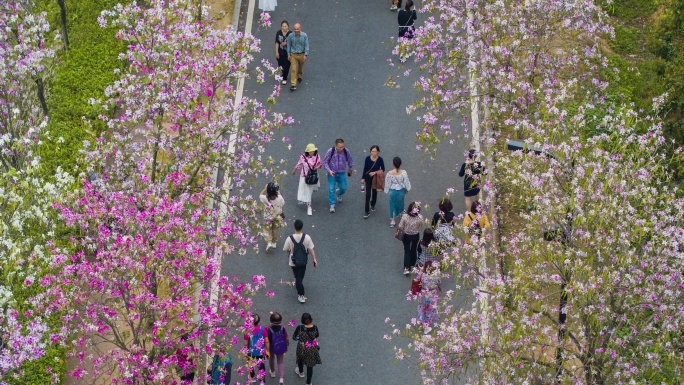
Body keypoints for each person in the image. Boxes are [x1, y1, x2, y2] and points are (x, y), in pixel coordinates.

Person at [283, 219, 318, 303]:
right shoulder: (307, 237)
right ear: (302, 227)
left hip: (294, 262)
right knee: (301, 275)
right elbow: (311, 249)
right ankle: (300, 289)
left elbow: (285, 249)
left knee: (297, 276)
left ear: (294, 227)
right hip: (303, 261)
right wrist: (314, 259)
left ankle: (300, 293)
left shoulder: (289, 238)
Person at [322, 139, 355, 213]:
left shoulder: (346, 151)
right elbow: (325, 162)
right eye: (339, 147)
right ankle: (332, 205)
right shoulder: (331, 151)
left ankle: (339, 193)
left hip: (341, 173)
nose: (341, 149)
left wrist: (350, 168)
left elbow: (350, 160)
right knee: (331, 189)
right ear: (336, 146)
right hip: (332, 173)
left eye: (342, 146)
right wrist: (329, 170)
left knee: (343, 188)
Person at [292, 143, 322, 216]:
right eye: (311, 151)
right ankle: (309, 206)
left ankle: (308, 202)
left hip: (314, 176)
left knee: (309, 191)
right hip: (305, 176)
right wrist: (294, 170)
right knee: (307, 191)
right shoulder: (303, 157)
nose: (312, 152)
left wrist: (316, 167)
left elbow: (320, 165)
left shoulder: (317, 156)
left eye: (313, 151)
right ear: (307, 151)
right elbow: (299, 164)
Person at [293, 312, 321, 385]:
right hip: (311, 348)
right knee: (310, 365)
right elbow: (317, 335)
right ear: (311, 319)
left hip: (301, 347)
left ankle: (301, 372)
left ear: (302, 320)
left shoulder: (299, 328)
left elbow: (294, 337)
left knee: (300, 359)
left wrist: (300, 338)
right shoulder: (315, 327)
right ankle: (308, 382)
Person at [384, 157, 411, 227]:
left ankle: (392, 221)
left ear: (393, 163)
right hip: (400, 192)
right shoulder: (403, 173)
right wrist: (407, 189)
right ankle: (401, 213)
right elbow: (406, 182)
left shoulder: (389, 174)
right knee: (400, 203)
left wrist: (386, 190)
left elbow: (387, 184)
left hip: (392, 192)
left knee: (392, 205)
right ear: (401, 163)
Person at [398, 202, 423, 275]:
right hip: (415, 235)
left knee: (407, 251)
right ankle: (412, 262)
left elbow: (400, 226)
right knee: (414, 248)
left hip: (406, 235)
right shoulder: (420, 217)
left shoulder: (405, 216)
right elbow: (420, 226)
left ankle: (406, 268)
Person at [243, 314, 270, 385]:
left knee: (251, 365)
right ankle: (262, 381)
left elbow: (245, 343)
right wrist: (267, 351)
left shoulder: (247, 331)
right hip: (260, 352)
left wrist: (245, 352)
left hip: (251, 352)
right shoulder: (263, 329)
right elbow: (266, 341)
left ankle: (253, 377)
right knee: (261, 366)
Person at [416, 261, 442, 332]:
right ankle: (426, 325)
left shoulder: (422, 275)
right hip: (432, 294)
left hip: (423, 293)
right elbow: (439, 283)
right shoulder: (435, 275)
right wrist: (440, 289)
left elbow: (417, 280)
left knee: (422, 307)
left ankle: (421, 319)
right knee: (430, 310)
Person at [259, 182, 285, 251]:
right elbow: (282, 203)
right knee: (275, 229)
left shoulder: (265, 198)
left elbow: (260, 195)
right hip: (277, 216)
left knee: (266, 229)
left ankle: (269, 241)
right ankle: (274, 242)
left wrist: (265, 189)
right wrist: (279, 192)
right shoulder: (279, 198)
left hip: (268, 217)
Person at [361, 145, 385, 218]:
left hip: (375, 179)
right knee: (368, 194)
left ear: (378, 152)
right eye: (372, 151)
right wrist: (363, 178)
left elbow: (383, 169)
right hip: (368, 178)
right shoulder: (367, 159)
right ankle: (366, 211)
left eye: (374, 151)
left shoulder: (380, 159)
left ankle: (373, 204)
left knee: (374, 193)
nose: (373, 153)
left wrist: (375, 173)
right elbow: (365, 168)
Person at [286, 23, 309, 91]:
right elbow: (289, 45)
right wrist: (288, 54)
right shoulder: (290, 36)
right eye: (295, 29)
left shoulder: (304, 35)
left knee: (300, 66)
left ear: (300, 29)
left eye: (297, 29)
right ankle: (293, 84)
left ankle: (299, 75)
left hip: (301, 54)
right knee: (293, 69)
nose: (296, 30)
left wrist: (305, 54)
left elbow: (306, 45)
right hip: (293, 54)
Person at [267, 312, 289, 385]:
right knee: (280, 361)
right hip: (281, 347)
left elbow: (266, 339)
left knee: (271, 359)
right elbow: (286, 337)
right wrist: (286, 346)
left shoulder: (268, 329)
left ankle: (272, 372)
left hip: (271, 347)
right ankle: (281, 378)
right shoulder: (283, 328)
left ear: (271, 320)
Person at [275, 21, 292, 85]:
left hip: (287, 53)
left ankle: (285, 78)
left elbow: (293, 43)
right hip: (280, 52)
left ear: (288, 26)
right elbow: (277, 42)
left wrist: (286, 43)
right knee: (280, 65)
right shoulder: (278, 33)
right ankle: (283, 73)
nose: (284, 27)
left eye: (285, 26)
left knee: (286, 66)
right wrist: (276, 52)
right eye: (283, 26)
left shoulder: (291, 34)